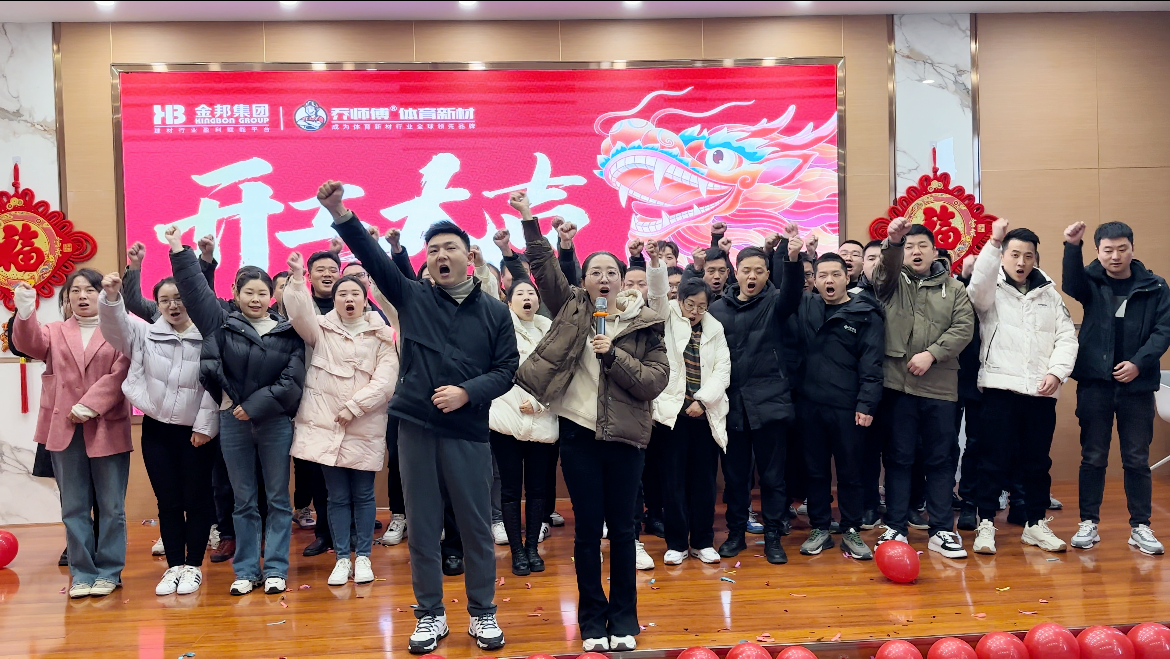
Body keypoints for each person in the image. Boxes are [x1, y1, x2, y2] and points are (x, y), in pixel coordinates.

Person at [322, 180, 517, 654]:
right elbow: (373, 260)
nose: (440, 256)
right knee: (424, 527)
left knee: (476, 527)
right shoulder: (412, 297)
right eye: (433, 250)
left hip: (467, 430)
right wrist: (341, 212)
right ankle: (430, 615)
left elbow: (507, 369)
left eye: (450, 248)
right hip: (416, 428)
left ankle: (483, 612)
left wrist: (467, 393)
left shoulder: (495, 312)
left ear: (469, 256)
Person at [512, 190, 668, 653]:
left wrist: (613, 355)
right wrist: (529, 219)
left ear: (623, 280)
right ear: (584, 280)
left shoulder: (644, 323)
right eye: (595, 272)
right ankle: (592, 622)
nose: (604, 278)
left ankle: (624, 620)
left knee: (623, 532)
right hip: (579, 435)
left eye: (611, 272)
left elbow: (654, 381)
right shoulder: (575, 308)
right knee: (586, 534)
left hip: (626, 438)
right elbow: (544, 269)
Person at [167, 226, 306, 596]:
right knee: (243, 501)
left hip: (275, 423)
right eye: (249, 292)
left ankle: (275, 569)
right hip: (232, 422)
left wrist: (252, 406)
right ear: (236, 294)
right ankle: (246, 570)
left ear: (272, 296)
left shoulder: (287, 330)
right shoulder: (221, 324)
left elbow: (292, 382)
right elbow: (194, 292)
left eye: (262, 292)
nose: (256, 298)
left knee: (278, 499)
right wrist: (179, 249)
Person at [98, 270, 219, 596]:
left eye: (179, 298)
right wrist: (111, 298)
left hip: (197, 432)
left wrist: (205, 427)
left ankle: (193, 566)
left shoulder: (209, 334)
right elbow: (115, 328)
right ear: (158, 304)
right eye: (165, 300)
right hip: (157, 430)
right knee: (167, 500)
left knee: (197, 500)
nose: (173, 305)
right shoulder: (146, 333)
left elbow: (215, 384)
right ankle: (174, 566)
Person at [13, 272, 132, 599]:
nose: (82, 296)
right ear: (66, 299)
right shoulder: (54, 330)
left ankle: (109, 572)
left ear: (101, 294)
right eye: (74, 291)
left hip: (106, 425)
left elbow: (122, 373)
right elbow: (28, 344)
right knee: (74, 507)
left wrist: (91, 405)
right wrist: (25, 311)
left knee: (112, 507)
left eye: (89, 290)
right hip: (64, 428)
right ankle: (82, 573)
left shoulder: (120, 329)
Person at [284, 251, 399, 585]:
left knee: (363, 495)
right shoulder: (320, 329)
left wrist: (355, 407)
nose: (349, 299)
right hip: (327, 425)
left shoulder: (382, 334)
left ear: (365, 299)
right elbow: (299, 311)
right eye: (342, 294)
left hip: (365, 424)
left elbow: (386, 381)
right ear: (333, 300)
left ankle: (363, 557)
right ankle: (341, 559)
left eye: (355, 294)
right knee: (335, 497)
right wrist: (297, 278)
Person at [966, 219, 1078, 554]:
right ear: (1003, 256)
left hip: (1041, 393)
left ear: (1035, 259)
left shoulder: (1049, 294)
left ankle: (1035, 524)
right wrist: (993, 241)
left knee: (1037, 462)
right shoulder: (991, 289)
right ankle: (986, 522)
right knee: (993, 460)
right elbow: (976, 289)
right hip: (1000, 389)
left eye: (1028, 256)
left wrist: (1057, 373)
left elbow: (1066, 337)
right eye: (1014, 254)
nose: (1021, 262)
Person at [1063, 221, 1170, 555]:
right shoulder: (1090, 281)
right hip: (1095, 383)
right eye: (1108, 250)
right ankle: (1088, 523)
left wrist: (1138, 363)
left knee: (1136, 459)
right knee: (1093, 457)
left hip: (1137, 386)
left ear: (1132, 248)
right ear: (1098, 251)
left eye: (1122, 249)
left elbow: (1164, 330)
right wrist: (1072, 246)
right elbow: (1070, 283)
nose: (1115, 256)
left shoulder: (1155, 285)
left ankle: (1141, 526)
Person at [871, 219, 974, 558]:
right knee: (899, 458)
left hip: (940, 387)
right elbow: (881, 273)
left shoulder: (955, 289)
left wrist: (932, 354)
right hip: (898, 385)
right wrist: (893, 242)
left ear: (934, 252)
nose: (916, 252)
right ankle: (896, 526)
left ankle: (941, 529)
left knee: (941, 459)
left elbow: (963, 328)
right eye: (910, 247)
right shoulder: (891, 283)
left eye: (922, 246)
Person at [709, 235, 804, 564]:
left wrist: (792, 259)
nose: (752, 276)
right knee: (735, 478)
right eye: (746, 270)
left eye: (759, 271)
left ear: (767, 274)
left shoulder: (776, 302)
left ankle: (773, 536)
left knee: (773, 478)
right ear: (735, 273)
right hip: (731, 405)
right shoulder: (716, 310)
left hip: (770, 403)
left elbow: (793, 292)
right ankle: (736, 533)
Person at [794, 253, 884, 560]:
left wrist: (866, 404)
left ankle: (851, 529)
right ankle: (820, 527)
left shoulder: (865, 313)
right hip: (810, 406)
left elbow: (872, 364)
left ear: (848, 277)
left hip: (848, 407)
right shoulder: (807, 307)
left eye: (835, 274)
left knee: (850, 472)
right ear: (815, 280)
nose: (829, 281)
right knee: (815, 472)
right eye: (822, 276)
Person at [646, 242, 731, 565]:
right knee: (672, 483)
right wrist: (655, 261)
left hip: (705, 415)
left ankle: (703, 542)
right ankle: (677, 543)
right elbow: (656, 294)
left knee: (705, 483)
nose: (695, 311)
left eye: (701, 306)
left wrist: (703, 401)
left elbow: (723, 370)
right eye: (690, 304)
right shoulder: (666, 316)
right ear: (679, 300)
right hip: (672, 416)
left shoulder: (715, 328)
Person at [488, 279, 558, 576]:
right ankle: (517, 550)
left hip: (543, 419)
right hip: (507, 417)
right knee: (510, 488)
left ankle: (532, 548)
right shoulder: (500, 327)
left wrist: (541, 404)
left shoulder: (551, 331)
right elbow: (495, 370)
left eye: (531, 293)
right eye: (520, 293)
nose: (527, 297)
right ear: (509, 301)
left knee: (538, 489)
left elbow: (561, 374)